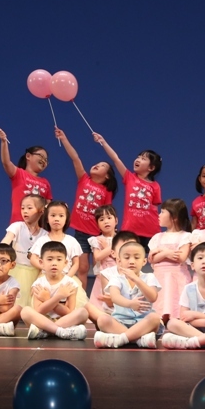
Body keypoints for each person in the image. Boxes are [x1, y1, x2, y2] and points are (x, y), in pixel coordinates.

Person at [55, 128, 117, 290]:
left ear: (107, 175)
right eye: (97, 163)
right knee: (82, 267)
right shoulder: (84, 179)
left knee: (99, 267)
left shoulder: (107, 191)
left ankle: (102, 296)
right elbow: (75, 158)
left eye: (102, 165)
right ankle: (82, 297)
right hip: (81, 234)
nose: (97, 165)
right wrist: (64, 138)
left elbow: (107, 213)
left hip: (97, 234)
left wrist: (110, 232)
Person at [93, 132, 162, 251]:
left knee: (152, 258)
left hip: (151, 231)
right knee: (128, 255)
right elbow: (116, 159)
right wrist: (103, 142)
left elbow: (155, 209)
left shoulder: (155, 186)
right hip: (130, 230)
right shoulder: (129, 177)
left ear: (151, 168)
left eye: (143, 159)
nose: (138, 159)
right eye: (138, 157)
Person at [92, 240, 161, 348]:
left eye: (136, 258)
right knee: (102, 320)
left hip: (143, 324)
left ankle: (121, 339)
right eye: (127, 258)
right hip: (120, 322)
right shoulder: (116, 278)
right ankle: (138, 340)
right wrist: (130, 304)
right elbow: (115, 297)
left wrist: (136, 279)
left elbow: (153, 297)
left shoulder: (149, 277)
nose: (132, 261)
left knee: (155, 318)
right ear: (119, 261)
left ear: (144, 261)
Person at [20, 242, 88, 340]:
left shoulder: (70, 284)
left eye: (59, 259)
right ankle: (60, 331)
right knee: (25, 311)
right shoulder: (39, 284)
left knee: (83, 312)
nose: (54, 263)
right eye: (50, 259)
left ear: (65, 263)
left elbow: (69, 312)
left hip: (64, 321)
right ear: (41, 262)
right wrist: (58, 297)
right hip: (42, 321)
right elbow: (39, 311)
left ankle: (46, 332)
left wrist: (48, 299)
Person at [148, 198, 192, 322]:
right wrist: (167, 252)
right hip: (160, 277)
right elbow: (152, 259)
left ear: (174, 217)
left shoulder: (185, 236)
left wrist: (160, 252)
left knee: (175, 305)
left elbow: (181, 257)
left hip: (177, 277)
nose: (159, 215)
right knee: (161, 304)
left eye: (162, 212)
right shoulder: (157, 237)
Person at [0, 194, 48, 308]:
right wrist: (1, 251)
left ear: (41, 210)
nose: (25, 211)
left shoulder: (45, 234)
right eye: (22, 208)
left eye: (29, 208)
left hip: (35, 273)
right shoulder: (17, 226)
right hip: (16, 270)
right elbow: (6, 240)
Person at [0, 128, 52, 224]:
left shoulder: (45, 182)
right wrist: (4, 142)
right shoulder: (19, 173)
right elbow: (6, 162)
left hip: (39, 226)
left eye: (46, 160)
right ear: (28, 156)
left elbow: (49, 207)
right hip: (19, 223)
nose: (44, 160)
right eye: (41, 156)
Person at [85, 230, 140, 323]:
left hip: (135, 315)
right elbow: (109, 302)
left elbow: (144, 302)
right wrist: (116, 300)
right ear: (113, 253)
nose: (128, 251)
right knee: (88, 308)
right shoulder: (107, 274)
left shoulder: (142, 275)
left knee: (154, 318)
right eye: (123, 248)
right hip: (113, 315)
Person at [87, 205, 118, 307]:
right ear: (97, 224)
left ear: (116, 221)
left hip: (118, 274)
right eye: (101, 219)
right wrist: (110, 248)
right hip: (102, 274)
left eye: (109, 218)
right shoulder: (97, 240)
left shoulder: (121, 239)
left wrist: (106, 247)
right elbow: (97, 257)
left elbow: (120, 258)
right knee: (99, 303)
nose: (106, 221)